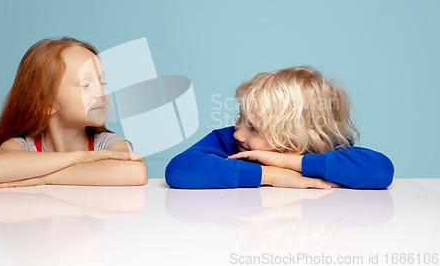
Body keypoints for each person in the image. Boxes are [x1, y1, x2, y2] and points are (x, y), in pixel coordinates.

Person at [165, 66, 394, 189]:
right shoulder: (229, 143)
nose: (237, 132)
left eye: (253, 128)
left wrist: (287, 162)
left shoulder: (321, 148)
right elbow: (180, 170)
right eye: (240, 117)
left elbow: (380, 171)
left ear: (293, 140)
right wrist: (272, 175)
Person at [0, 37, 148, 188]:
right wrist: (81, 158)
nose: (102, 93)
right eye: (86, 85)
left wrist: (42, 178)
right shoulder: (23, 147)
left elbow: (136, 171)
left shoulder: (108, 144)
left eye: (102, 83)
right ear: (45, 103)